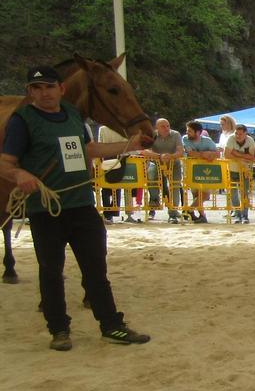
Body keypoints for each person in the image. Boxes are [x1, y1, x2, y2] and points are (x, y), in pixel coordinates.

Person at [0, 65, 151, 349]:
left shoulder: (71, 116)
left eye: (49, 86)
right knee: (51, 270)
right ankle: (59, 330)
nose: (44, 93)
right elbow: (5, 162)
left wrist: (126, 146)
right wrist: (20, 175)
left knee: (96, 268)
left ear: (62, 89)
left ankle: (112, 326)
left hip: (81, 203)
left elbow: (88, 150)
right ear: (30, 92)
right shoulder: (23, 120)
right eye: (37, 88)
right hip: (47, 208)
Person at [181, 120, 219, 222]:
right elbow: (190, 153)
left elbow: (217, 154)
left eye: (189, 131)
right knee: (197, 195)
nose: (187, 133)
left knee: (205, 195)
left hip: (207, 171)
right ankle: (202, 216)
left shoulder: (207, 141)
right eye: (187, 131)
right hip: (191, 170)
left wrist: (205, 154)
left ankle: (188, 210)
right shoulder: (185, 139)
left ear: (198, 132)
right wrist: (205, 154)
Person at [148, 118, 184, 223]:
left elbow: (181, 151)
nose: (166, 128)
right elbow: (144, 151)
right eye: (163, 126)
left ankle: (173, 213)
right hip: (156, 163)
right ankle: (154, 201)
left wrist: (171, 156)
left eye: (168, 126)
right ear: (157, 128)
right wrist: (159, 156)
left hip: (174, 164)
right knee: (151, 179)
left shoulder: (176, 134)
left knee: (175, 186)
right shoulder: (152, 135)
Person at [224, 123, 255, 223]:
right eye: (236, 133)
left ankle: (245, 216)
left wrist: (236, 153)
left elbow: (252, 157)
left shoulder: (250, 141)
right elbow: (226, 155)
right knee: (233, 193)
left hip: (245, 170)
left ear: (246, 134)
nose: (238, 136)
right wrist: (241, 159)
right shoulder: (230, 138)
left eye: (240, 134)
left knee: (244, 193)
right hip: (232, 169)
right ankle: (237, 214)